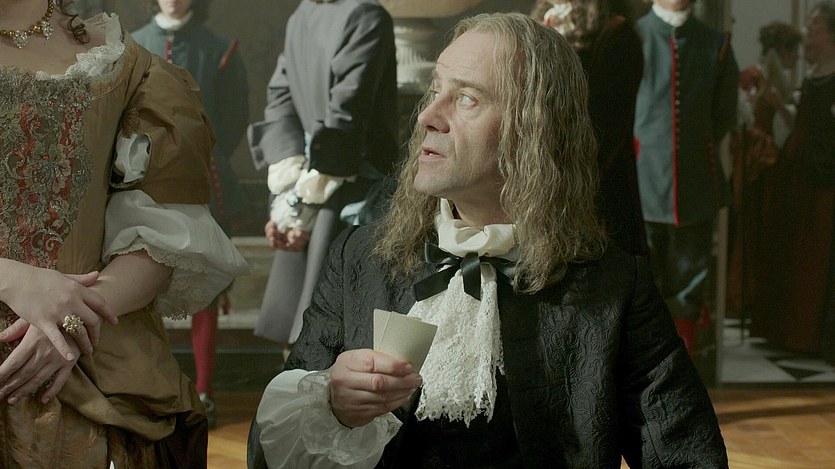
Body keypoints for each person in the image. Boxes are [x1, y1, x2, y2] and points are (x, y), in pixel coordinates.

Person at [248, 12, 727, 468]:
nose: (428, 116)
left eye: (466, 98)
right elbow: (267, 450)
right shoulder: (360, 258)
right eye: (435, 90)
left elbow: (689, 454)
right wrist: (332, 407)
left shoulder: (615, 288)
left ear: (533, 130)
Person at [0, 2, 248, 466]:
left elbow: (161, 234)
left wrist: (75, 317)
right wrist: (13, 279)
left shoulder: (124, 63)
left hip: (90, 363)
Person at [248, 0, 397, 348]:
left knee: (309, 333)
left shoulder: (303, 13)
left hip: (314, 185)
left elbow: (280, 103)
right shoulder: (366, 15)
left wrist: (288, 208)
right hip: (349, 193)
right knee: (347, 334)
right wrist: (303, 209)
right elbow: (346, 117)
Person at [133, 0, 250, 428]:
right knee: (139, 278)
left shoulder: (219, 48)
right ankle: (150, 386)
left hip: (205, 177)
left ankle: (203, 391)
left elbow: (233, 121)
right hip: (144, 177)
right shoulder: (133, 45)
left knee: (204, 283)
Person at [633, 0, 739, 353]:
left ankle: (683, 368)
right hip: (641, 182)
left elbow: (723, 115)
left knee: (689, 285)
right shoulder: (633, 38)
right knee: (642, 283)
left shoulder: (716, 43)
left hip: (696, 182)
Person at [751, 1, 835, 365]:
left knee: (816, 254)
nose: (807, 33)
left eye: (814, 27)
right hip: (798, 173)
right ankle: (786, 331)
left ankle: (809, 335)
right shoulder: (815, 72)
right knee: (791, 250)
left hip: (823, 177)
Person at [532, 0, 647, 256]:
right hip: (542, 174)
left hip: (597, 180)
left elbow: (606, 122)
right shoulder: (542, 25)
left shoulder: (617, 35)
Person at [728, 22, 801, 320]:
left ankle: (754, 297)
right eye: (792, 52)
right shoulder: (757, 77)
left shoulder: (769, 80)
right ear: (783, 50)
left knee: (760, 229)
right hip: (758, 160)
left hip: (764, 161)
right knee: (752, 228)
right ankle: (742, 296)